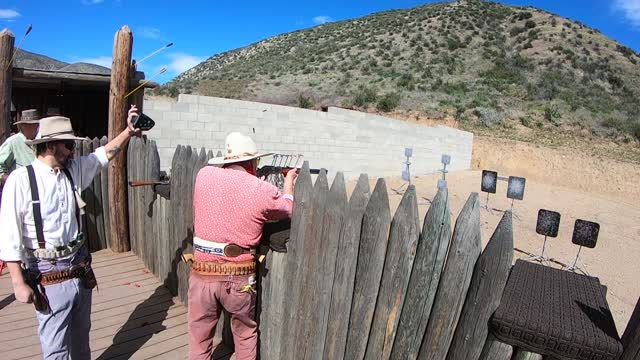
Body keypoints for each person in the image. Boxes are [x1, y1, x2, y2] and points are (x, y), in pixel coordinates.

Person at [0, 105, 143, 359]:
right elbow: (9, 235)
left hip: (80, 269)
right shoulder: (21, 181)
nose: (73, 150)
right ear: (51, 145)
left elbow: (104, 154)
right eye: (69, 144)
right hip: (47, 275)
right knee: (55, 348)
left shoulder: (72, 170)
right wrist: (18, 283)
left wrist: (128, 132)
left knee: (80, 340)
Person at [188, 132, 297, 360]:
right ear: (252, 162)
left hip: (201, 271)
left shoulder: (204, 175)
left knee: (199, 336)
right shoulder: (261, 189)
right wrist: (288, 183)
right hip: (239, 275)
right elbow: (287, 209)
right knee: (245, 334)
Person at [0, 109, 41, 195]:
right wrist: (12, 183)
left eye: (36, 125)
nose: (35, 127)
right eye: (31, 125)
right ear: (23, 126)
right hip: (18, 193)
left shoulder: (40, 143)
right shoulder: (13, 142)